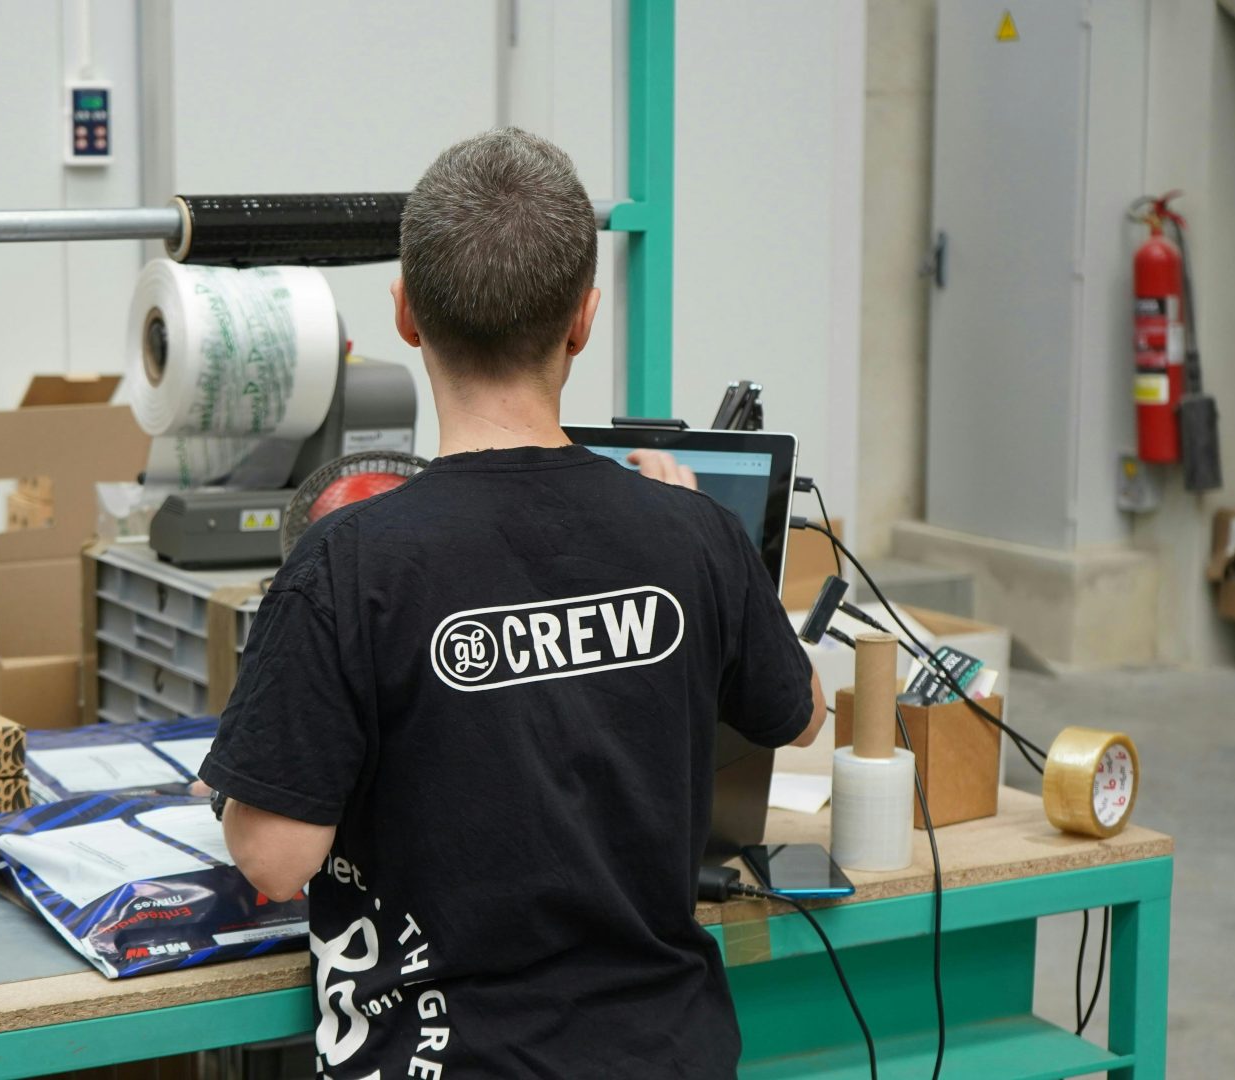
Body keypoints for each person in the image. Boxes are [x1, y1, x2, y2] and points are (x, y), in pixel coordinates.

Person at [197, 128, 823, 1079]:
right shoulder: (694, 536)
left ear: (406, 313)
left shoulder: (349, 563)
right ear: (584, 318)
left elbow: (277, 859)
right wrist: (705, 543)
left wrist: (250, 779)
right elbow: (805, 712)